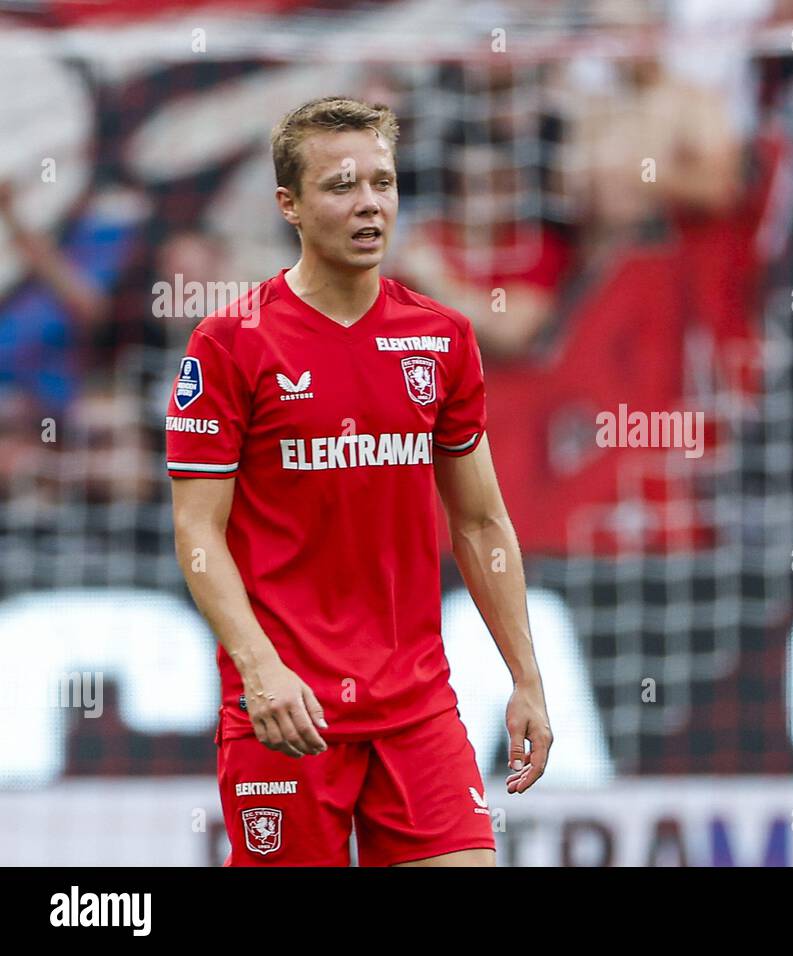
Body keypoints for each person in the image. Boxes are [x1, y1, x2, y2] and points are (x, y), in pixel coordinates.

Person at [166, 96, 551, 867]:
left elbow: (479, 523)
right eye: (342, 185)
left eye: (384, 182)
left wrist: (526, 679)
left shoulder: (441, 339)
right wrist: (259, 666)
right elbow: (198, 530)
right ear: (291, 206)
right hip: (285, 708)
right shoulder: (230, 344)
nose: (370, 202)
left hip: (415, 708)